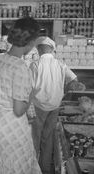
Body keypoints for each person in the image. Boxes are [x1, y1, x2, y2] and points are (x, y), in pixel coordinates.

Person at [0, 17, 41, 174]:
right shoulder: (21, 67)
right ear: (31, 41)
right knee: (16, 167)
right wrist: (32, 94)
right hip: (11, 127)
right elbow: (19, 110)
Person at [30, 36, 79, 174]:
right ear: (51, 49)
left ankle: (33, 169)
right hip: (54, 106)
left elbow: (29, 87)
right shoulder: (60, 64)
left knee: (35, 137)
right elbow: (74, 79)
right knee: (48, 137)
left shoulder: (35, 65)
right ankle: (45, 168)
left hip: (38, 106)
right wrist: (65, 91)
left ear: (39, 49)